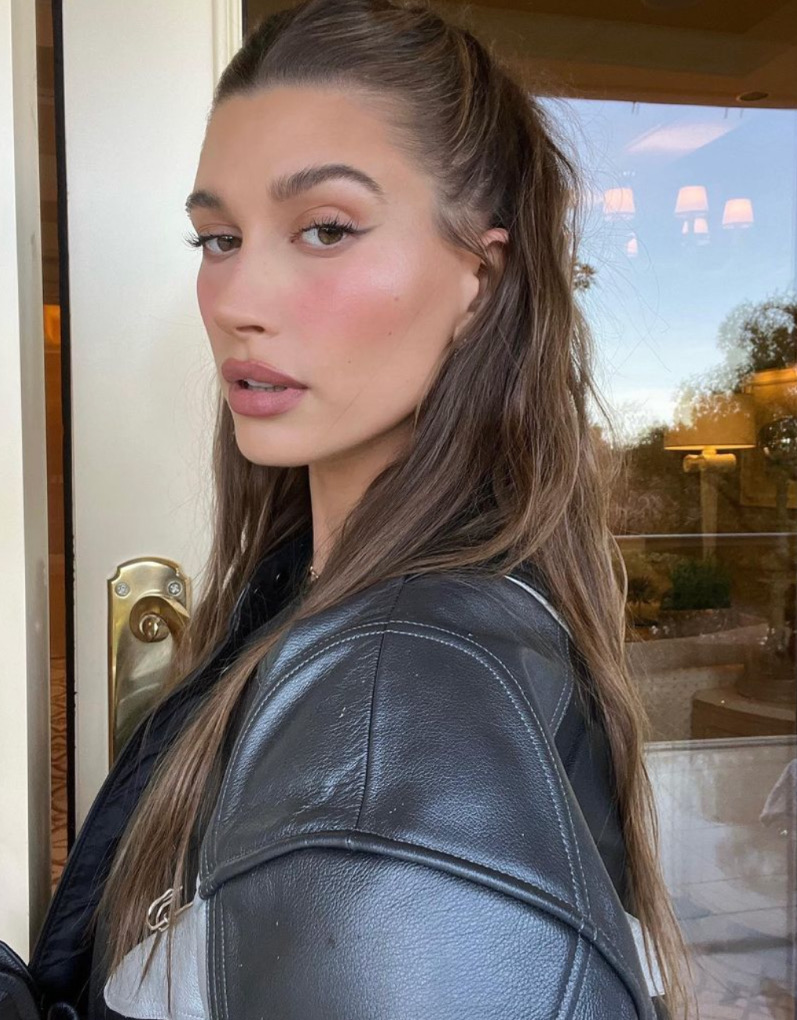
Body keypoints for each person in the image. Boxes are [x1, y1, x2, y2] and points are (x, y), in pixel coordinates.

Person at [2, 0, 693, 1016]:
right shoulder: (318, 604)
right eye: (218, 237)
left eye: (325, 229)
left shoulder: (394, 710)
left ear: (480, 276)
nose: (238, 299)